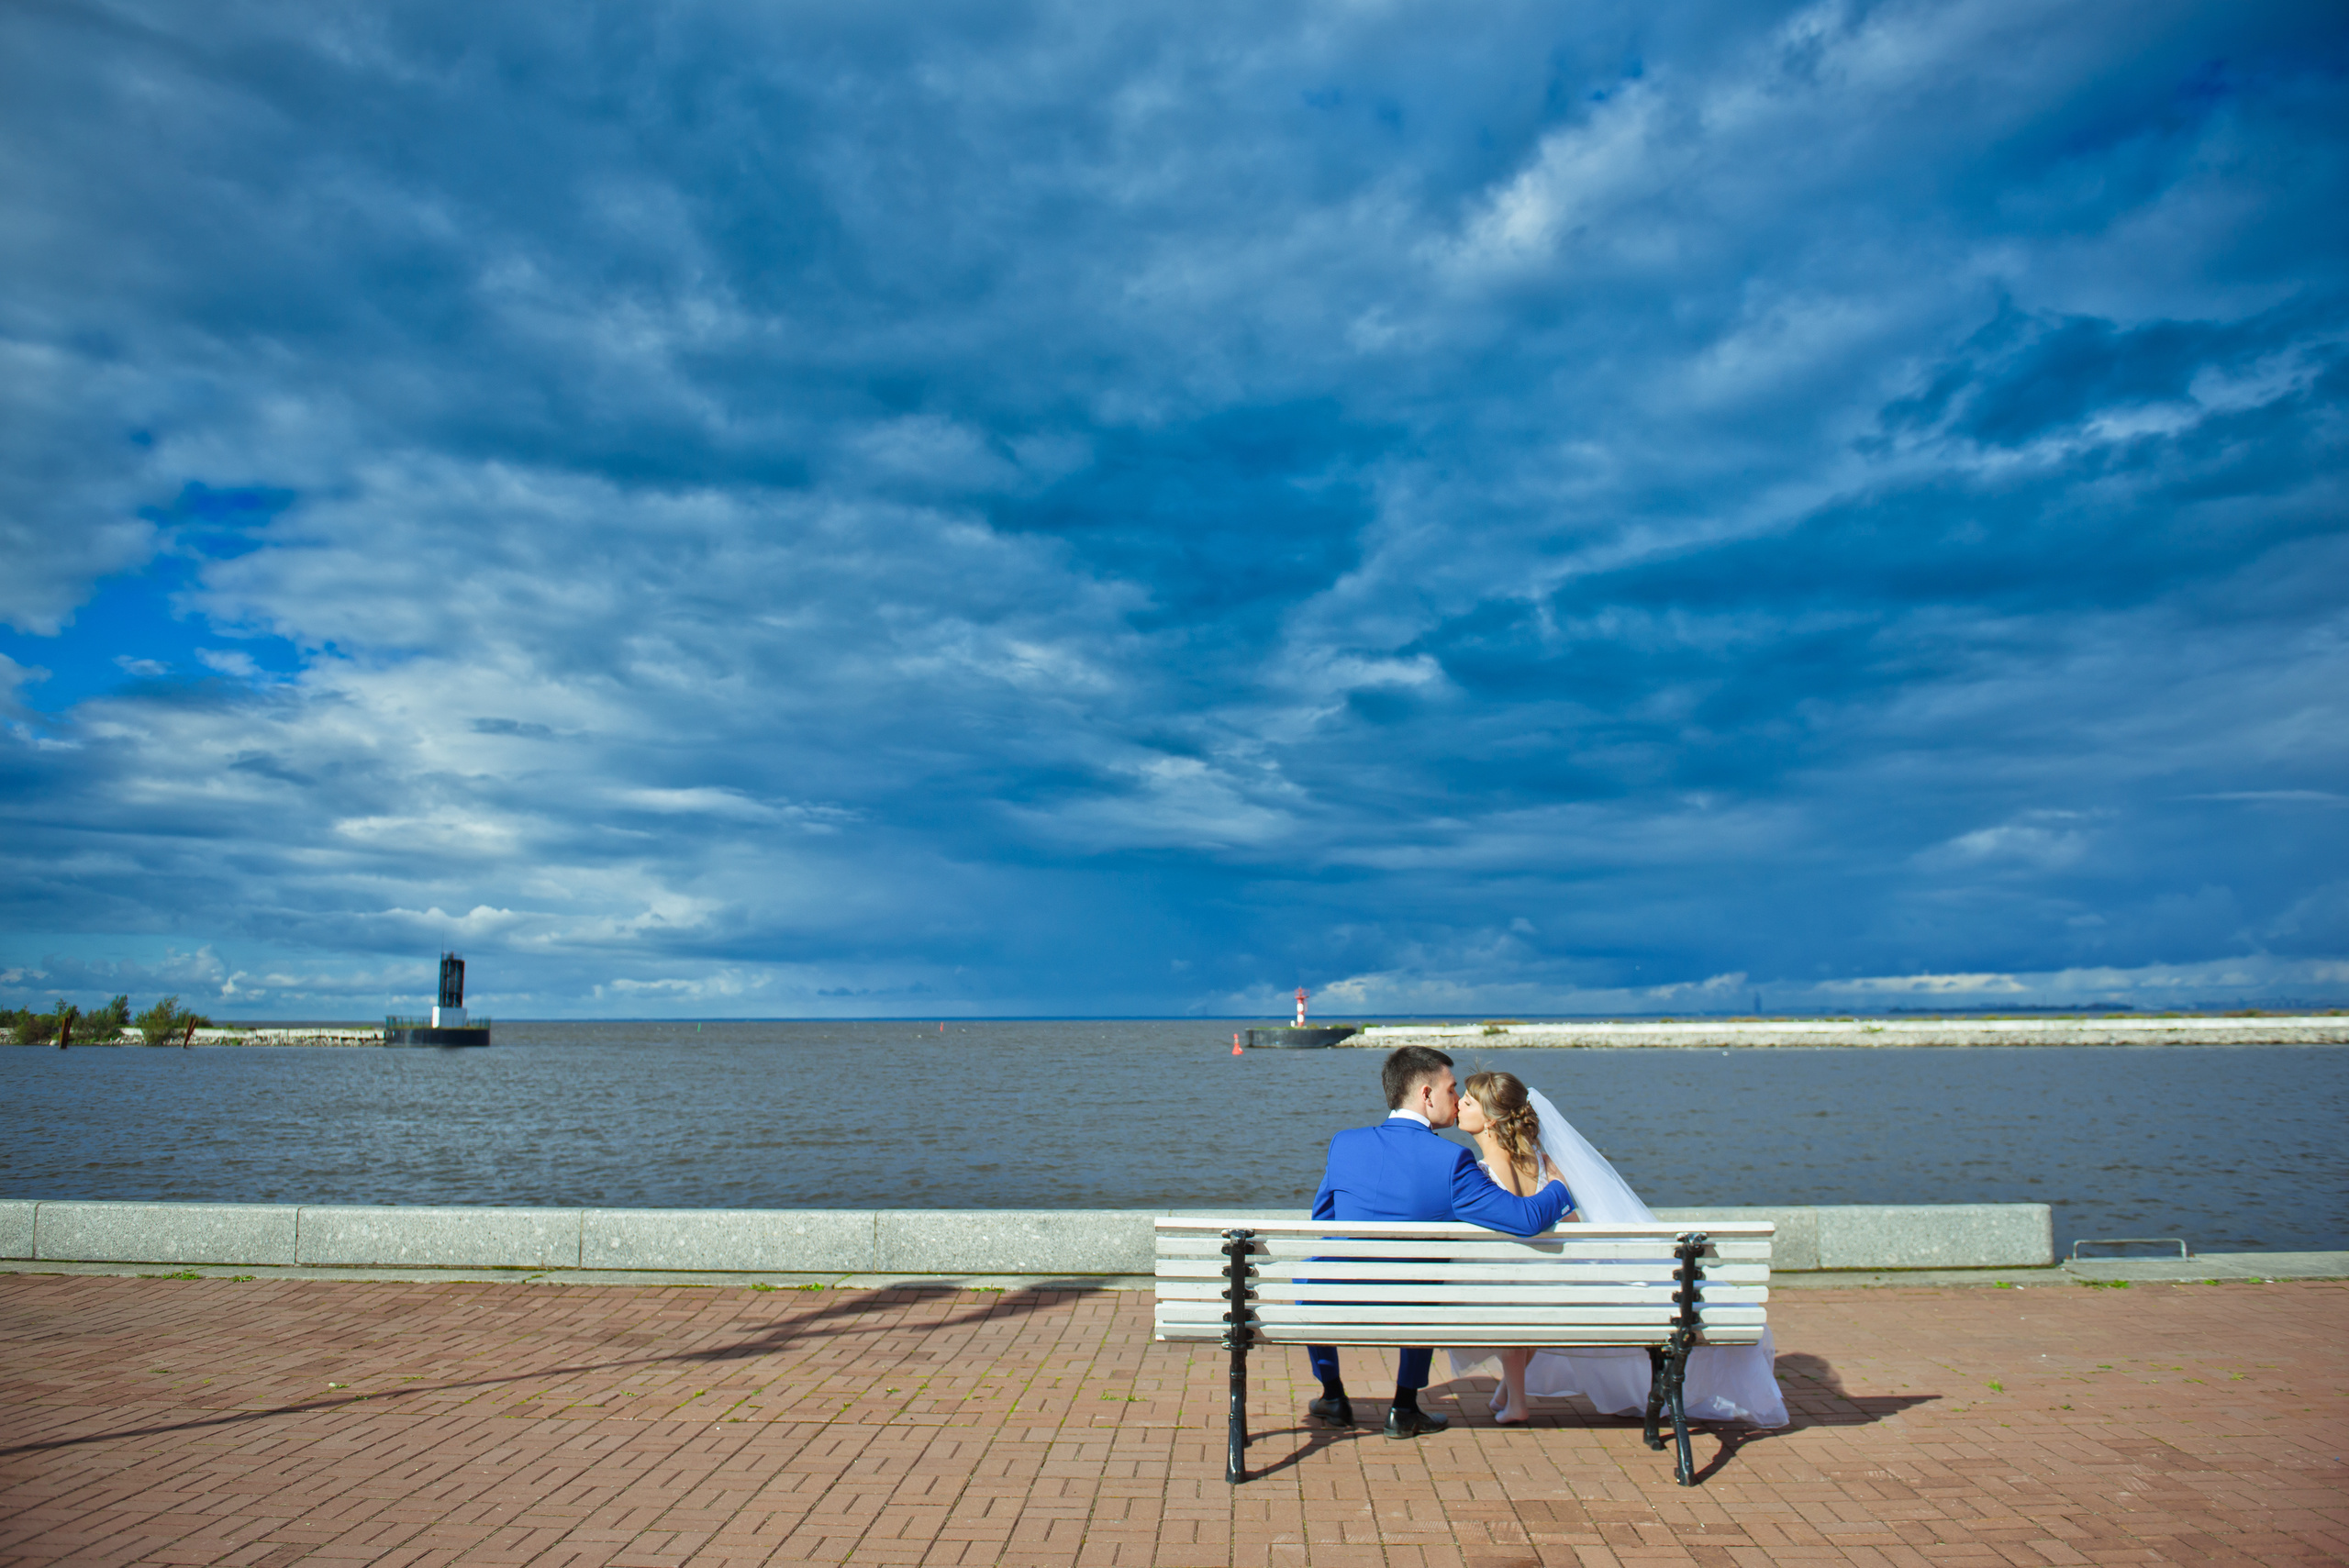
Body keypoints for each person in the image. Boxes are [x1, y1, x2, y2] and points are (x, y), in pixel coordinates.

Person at [1453, 1069, 1787, 1429]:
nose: (1458, 1103)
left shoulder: (1483, 1171)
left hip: (1526, 1292)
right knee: (1526, 1295)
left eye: (1468, 1101)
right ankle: (1506, 1393)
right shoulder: (1546, 1163)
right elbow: (1572, 1228)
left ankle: (1516, 1400)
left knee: (1511, 1299)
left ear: (1489, 1119)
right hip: (1561, 1285)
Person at [1306, 1045, 1574, 1439]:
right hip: (1407, 1307)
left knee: (1316, 1274)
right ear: (1426, 1094)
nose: (1456, 1098)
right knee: (1423, 1285)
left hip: (1338, 1298)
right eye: (1451, 1089)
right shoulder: (1452, 1162)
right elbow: (1527, 1219)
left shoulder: (1343, 1144)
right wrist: (1563, 1187)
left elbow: (1322, 1220)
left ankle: (1332, 1395)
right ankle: (1404, 1407)